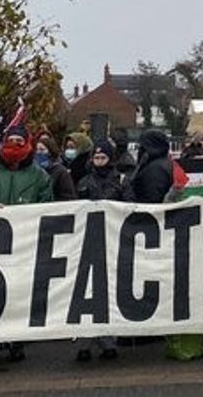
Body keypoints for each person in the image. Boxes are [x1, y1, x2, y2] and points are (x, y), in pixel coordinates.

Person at [0, 126, 52, 364]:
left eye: (19, 140)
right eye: (10, 140)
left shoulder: (40, 177)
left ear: (28, 144)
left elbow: (47, 207)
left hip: (24, 245)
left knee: (17, 294)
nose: (14, 144)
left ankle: (16, 341)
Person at [72, 140, 126, 361]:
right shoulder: (84, 182)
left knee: (107, 293)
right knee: (85, 292)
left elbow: (130, 205)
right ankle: (84, 343)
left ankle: (107, 342)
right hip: (87, 242)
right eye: (96, 158)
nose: (99, 162)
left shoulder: (121, 181)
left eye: (103, 158)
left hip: (112, 243)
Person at [130, 131, 176, 204]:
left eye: (142, 146)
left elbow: (151, 198)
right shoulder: (163, 163)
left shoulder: (156, 169)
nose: (139, 149)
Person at [36, 137, 77, 201]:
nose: (38, 153)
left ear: (50, 151)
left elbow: (68, 196)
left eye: (42, 150)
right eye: (37, 150)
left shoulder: (61, 172)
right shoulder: (34, 171)